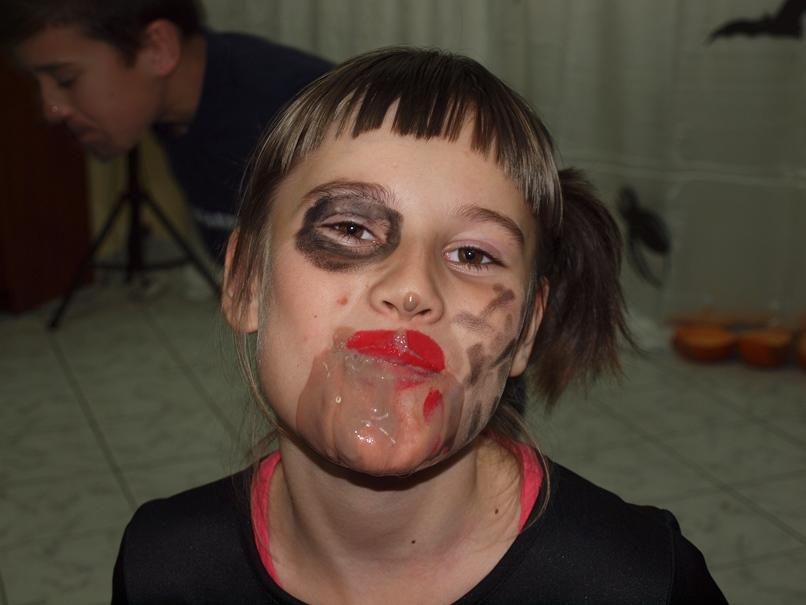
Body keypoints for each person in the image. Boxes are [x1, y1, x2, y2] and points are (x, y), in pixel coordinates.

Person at [111, 47, 728, 604]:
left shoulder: (641, 582)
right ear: (246, 280)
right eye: (350, 228)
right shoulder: (160, 570)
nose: (412, 288)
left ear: (526, 330)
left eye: (473, 255)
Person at [2, 0, 332, 261]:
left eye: (65, 80)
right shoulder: (172, 105)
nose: (50, 109)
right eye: (37, 83)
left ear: (158, 48)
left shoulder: (309, 120)